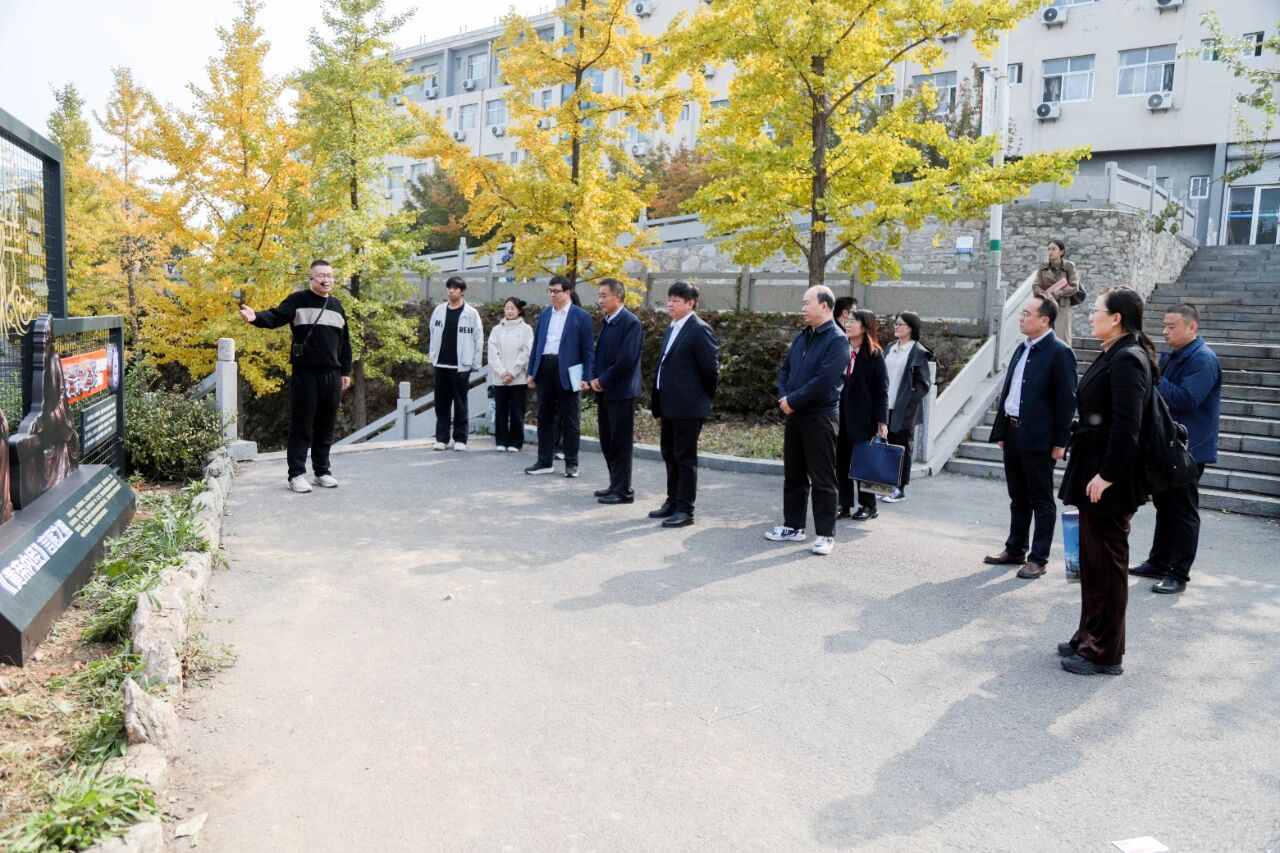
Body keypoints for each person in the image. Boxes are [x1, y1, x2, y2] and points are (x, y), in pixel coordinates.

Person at [1057, 286, 1155, 676]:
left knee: (1108, 566)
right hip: (1094, 469)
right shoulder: (1115, 352)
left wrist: (1107, 476)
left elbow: (1128, 426)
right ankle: (1088, 635)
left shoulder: (1128, 358)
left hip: (1110, 479)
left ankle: (1105, 652)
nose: (1090, 315)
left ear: (1116, 318)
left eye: (1096, 310)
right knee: (1093, 562)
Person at [1129, 303, 1222, 595]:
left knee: (1183, 511)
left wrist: (1154, 375)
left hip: (1189, 449)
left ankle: (1178, 573)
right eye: (1164, 326)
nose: (1165, 332)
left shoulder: (1203, 359)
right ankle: (1158, 561)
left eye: (1171, 326)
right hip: (1166, 445)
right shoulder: (1172, 355)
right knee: (1165, 506)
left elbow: (1186, 398)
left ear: (1192, 327)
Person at [984, 295, 1078, 579]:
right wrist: (1003, 429)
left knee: (1041, 500)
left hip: (1040, 438)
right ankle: (1015, 549)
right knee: (1018, 497)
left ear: (1045, 320)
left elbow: (1066, 402)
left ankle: (1038, 558)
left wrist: (1060, 443)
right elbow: (1011, 392)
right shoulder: (1022, 347)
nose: (1021, 318)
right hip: (1013, 432)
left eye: (1027, 314)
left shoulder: (1059, 352)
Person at [240, 259, 352, 493]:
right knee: (302, 423)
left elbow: (345, 343)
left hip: (332, 373)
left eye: (330, 275)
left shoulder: (337, 306)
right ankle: (297, 474)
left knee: (326, 424)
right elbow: (276, 316)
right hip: (306, 372)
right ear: (311, 278)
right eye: (321, 275)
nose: (326, 279)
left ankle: (322, 471)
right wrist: (255, 317)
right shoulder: (298, 300)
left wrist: (345, 371)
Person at [765, 286, 850, 556]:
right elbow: (785, 370)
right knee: (794, 475)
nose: (802, 308)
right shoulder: (804, 335)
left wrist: (793, 400)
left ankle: (825, 534)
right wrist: (784, 396)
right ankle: (793, 526)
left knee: (823, 478)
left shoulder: (837, 339)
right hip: (795, 415)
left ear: (824, 306)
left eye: (807, 303)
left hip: (819, 417)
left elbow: (825, 381)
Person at [649, 281, 719, 528]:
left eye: (676, 300)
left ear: (690, 303)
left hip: (688, 406)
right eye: (669, 299)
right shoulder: (673, 326)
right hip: (669, 404)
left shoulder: (699, 329)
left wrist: (699, 397)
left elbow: (711, 370)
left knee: (685, 458)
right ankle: (672, 501)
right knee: (669, 454)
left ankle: (685, 509)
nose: (670, 304)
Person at [525, 275, 595, 478]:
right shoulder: (545, 313)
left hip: (569, 371)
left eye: (556, 291)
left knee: (570, 418)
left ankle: (571, 463)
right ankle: (544, 461)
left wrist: (587, 377)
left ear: (568, 292)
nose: (552, 295)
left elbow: (588, 350)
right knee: (544, 417)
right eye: (550, 291)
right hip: (545, 367)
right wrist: (532, 372)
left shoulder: (581, 316)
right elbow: (537, 345)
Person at [591, 278, 643, 504]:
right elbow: (600, 355)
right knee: (607, 440)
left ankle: (623, 491)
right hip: (605, 390)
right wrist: (594, 379)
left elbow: (627, 360)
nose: (600, 300)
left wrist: (603, 380)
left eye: (604, 295)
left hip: (622, 392)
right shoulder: (607, 321)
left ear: (618, 296)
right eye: (599, 295)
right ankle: (614, 484)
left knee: (621, 443)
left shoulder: (630, 322)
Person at [834, 304, 888, 521]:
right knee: (841, 461)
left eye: (853, 321)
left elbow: (881, 390)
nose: (848, 325)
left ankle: (868, 505)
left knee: (864, 461)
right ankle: (843, 503)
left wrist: (882, 421)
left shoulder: (874, 355)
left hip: (864, 418)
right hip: (840, 415)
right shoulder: (841, 350)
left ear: (865, 327)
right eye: (847, 321)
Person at [428, 276, 485, 451]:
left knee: (460, 403)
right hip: (441, 364)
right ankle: (442, 438)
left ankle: (460, 438)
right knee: (441, 404)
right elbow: (432, 332)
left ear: (462, 291)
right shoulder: (439, 310)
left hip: (461, 365)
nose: (451, 291)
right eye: (449, 288)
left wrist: (475, 363)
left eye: (455, 288)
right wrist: (432, 355)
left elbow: (478, 338)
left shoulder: (471, 313)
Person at [883, 310, 932, 503]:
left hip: (903, 409)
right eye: (895, 323)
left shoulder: (918, 351)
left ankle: (899, 488)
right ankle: (886, 484)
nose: (896, 326)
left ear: (910, 328)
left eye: (900, 324)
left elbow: (923, 384)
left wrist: (909, 405)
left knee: (901, 447)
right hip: (885, 406)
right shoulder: (889, 347)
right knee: (886, 446)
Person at [487, 296, 534, 453]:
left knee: (517, 411)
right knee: (501, 410)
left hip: (518, 378)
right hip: (500, 377)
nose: (509, 311)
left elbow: (526, 353)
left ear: (519, 310)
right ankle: (501, 440)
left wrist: (512, 372)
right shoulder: (497, 329)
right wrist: (502, 372)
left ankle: (516, 441)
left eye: (512, 308)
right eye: (506, 308)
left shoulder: (526, 329)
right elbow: (493, 353)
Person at [1033, 238, 1081, 345]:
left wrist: (1056, 293)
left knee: (1063, 339)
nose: (1050, 252)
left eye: (1053, 249)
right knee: (1044, 338)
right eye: (1049, 249)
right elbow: (1036, 286)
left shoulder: (1069, 266)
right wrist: (1045, 295)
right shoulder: (1043, 268)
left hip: (1063, 306)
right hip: (1046, 306)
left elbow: (1074, 286)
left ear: (1061, 252)